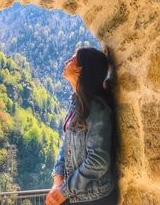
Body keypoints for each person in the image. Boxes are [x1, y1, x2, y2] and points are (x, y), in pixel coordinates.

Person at [45, 47, 118, 205]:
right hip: (76, 195)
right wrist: (58, 179)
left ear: (81, 70)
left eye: (72, 60)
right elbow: (66, 146)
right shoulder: (76, 103)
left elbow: (98, 160)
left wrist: (64, 191)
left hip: (95, 198)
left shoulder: (96, 109)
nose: (66, 62)